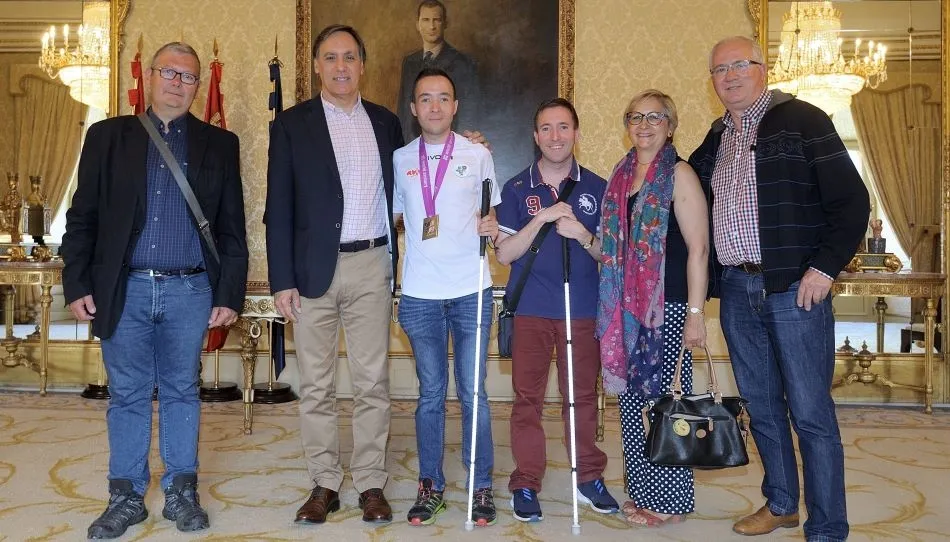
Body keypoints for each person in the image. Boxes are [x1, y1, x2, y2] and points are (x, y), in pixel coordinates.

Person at [61, 41, 248, 539]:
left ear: (197, 86)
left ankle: (182, 494)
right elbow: (82, 218)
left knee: (184, 389)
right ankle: (125, 498)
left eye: (188, 77)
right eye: (169, 72)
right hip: (125, 289)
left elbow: (232, 228)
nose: (178, 83)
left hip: (191, 290)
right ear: (149, 76)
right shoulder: (108, 137)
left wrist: (229, 292)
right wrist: (77, 281)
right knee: (127, 394)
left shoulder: (219, 144)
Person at [689, 36, 870, 542]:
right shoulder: (716, 136)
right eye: (719, 69)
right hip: (737, 290)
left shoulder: (804, 120)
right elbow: (681, 186)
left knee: (810, 413)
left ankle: (828, 527)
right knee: (761, 405)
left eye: (739, 65)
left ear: (762, 70)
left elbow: (853, 203)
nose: (729, 76)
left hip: (795, 290)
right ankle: (782, 504)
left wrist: (824, 269)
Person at [266, 24, 402, 525]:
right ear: (317, 66)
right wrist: (282, 279)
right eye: (330, 57)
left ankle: (370, 482)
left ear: (362, 65)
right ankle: (324, 482)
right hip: (310, 271)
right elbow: (277, 207)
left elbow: (414, 181)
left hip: (372, 264)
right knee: (316, 385)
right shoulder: (291, 126)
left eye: (349, 57)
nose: (340, 66)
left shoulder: (387, 124)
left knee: (373, 382)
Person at [494, 97, 619, 522]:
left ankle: (587, 477)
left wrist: (584, 234)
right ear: (535, 136)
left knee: (580, 397)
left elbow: (610, 256)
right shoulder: (514, 188)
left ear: (576, 133)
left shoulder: (599, 188)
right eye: (546, 128)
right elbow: (505, 254)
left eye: (563, 127)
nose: (555, 136)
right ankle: (526, 481)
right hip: (530, 308)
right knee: (526, 400)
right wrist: (542, 219)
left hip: (581, 310)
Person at [393, 67, 500, 527]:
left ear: (455, 107)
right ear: (414, 108)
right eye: (425, 99)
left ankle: (481, 486)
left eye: (443, 98)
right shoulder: (399, 159)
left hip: (471, 290)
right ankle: (430, 483)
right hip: (419, 294)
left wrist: (493, 227)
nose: (434, 106)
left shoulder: (478, 155)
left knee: (474, 392)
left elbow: (493, 218)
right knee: (431, 394)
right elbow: (397, 219)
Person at [597, 89, 709, 527]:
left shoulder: (679, 174)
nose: (644, 125)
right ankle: (643, 491)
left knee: (665, 405)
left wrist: (696, 316)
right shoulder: (621, 175)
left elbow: (699, 249)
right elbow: (612, 248)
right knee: (631, 403)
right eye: (635, 117)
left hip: (670, 308)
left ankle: (671, 502)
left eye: (654, 117)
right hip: (626, 311)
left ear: (670, 124)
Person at [397, 0, 479, 142]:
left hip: (453, 150)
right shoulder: (409, 62)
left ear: (445, 24)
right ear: (418, 25)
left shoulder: (463, 63)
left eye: (437, 20)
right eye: (426, 20)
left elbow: (470, 113)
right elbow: (404, 110)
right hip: (414, 149)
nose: (432, 26)